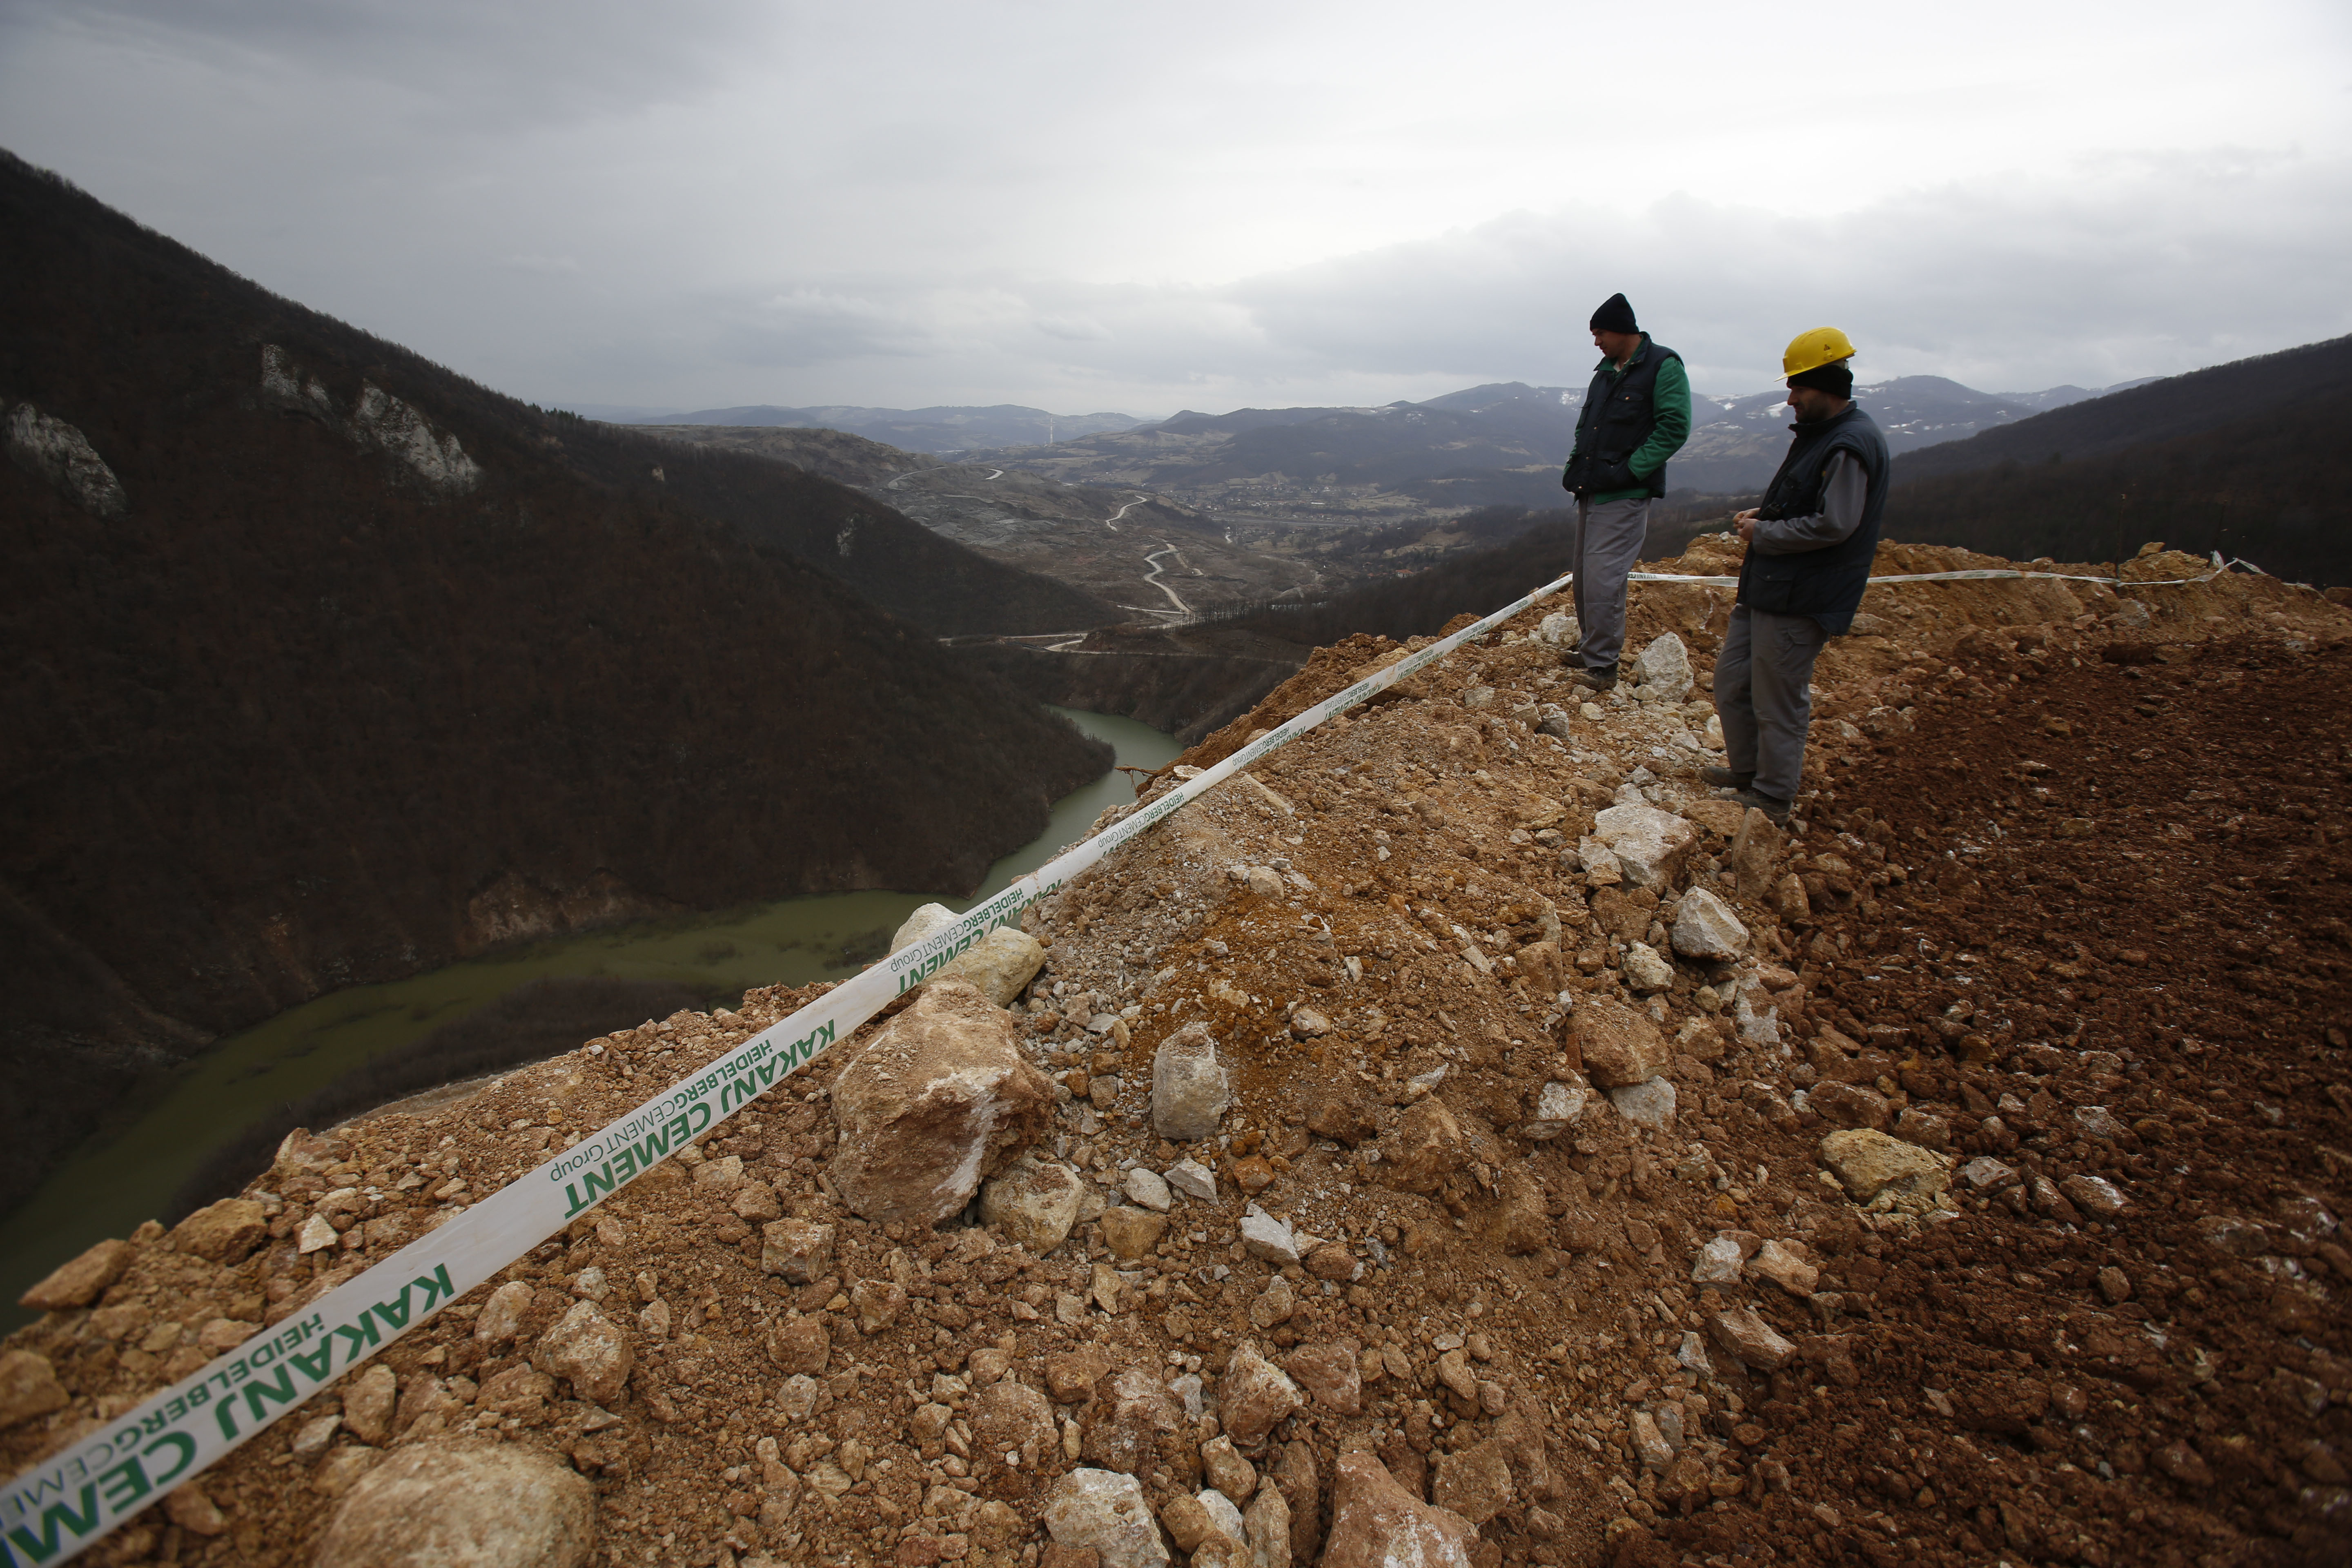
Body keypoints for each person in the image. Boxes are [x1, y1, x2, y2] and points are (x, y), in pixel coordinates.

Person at [1705, 327, 1891, 825]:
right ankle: (1747, 773)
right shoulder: (1825, 435)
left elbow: (1835, 523)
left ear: (1826, 383)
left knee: (1777, 697)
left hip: (1802, 595)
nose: (1790, 399)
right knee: (1733, 681)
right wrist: (1767, 512)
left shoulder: (1849, 443)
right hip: (1771, 588)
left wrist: (1764, 532)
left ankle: (1772, 796)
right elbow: (1810, 502)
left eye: (1798, 387)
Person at [1560, 293, 1690, 692]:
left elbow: (1674, 427)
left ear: (1621, 330)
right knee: (1585, 577)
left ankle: (1602, 666)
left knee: (1604, 577)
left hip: (1625, 492)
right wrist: (1575, 467)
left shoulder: (1663, 366)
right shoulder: (1604, 374)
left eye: (1600, 333)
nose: (1596, 341)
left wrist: (1631, 470)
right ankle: (1590, 646)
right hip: (1593, 489)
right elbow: (1588, 430)